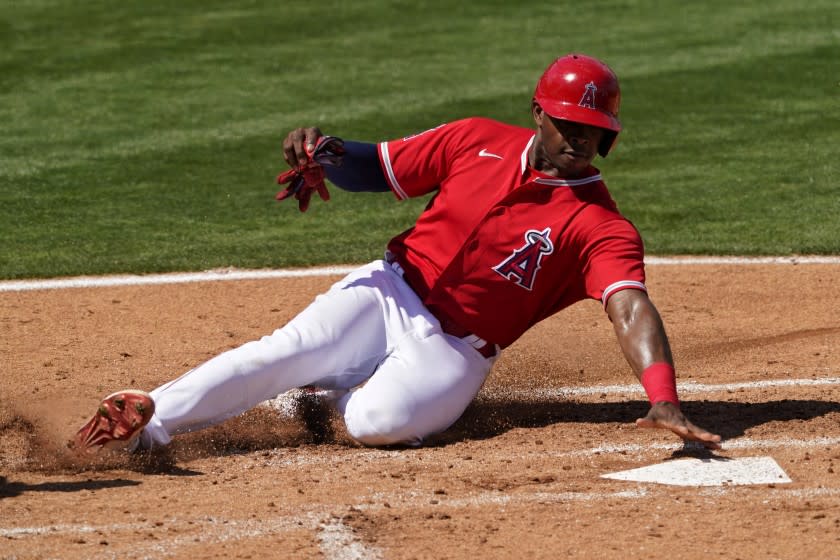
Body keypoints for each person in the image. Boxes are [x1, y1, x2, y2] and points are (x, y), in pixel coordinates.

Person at [73, 53, 722, 455]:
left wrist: (661, 397)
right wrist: (324, 153)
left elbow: (629, 308)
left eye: (594, 131)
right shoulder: (476, 139)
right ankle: (143, 427)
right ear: (538, 113)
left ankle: (311, 405)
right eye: (569, 124)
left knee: (380, 422)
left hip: (455, 351)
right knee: (281, 352)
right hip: (390, 290)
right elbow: (377, 168)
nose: (580, 138)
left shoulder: (600, 224)